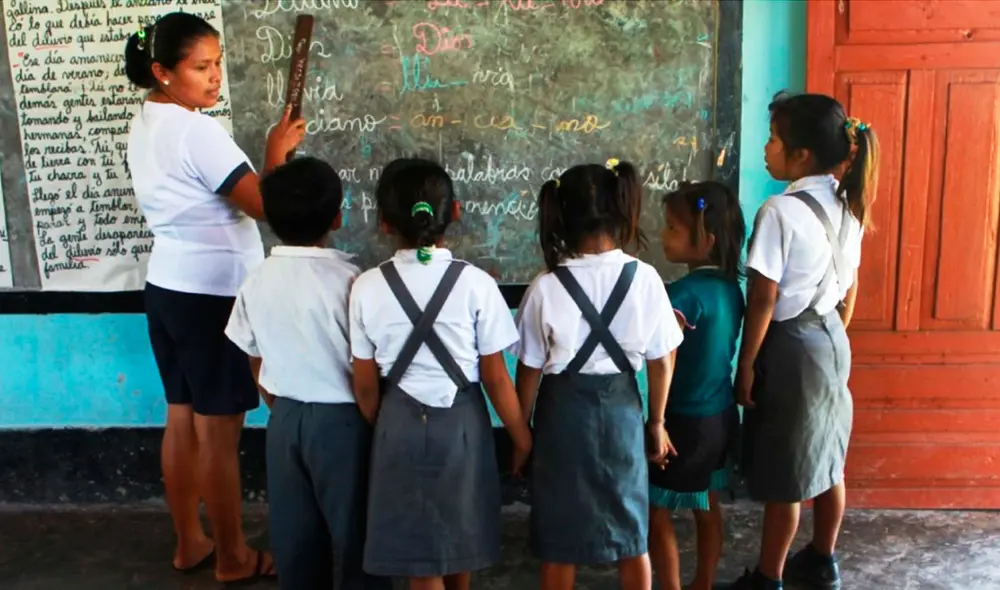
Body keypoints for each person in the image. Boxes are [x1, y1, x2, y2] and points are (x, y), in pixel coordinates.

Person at [124, 12, 305, 584]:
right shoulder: (195, 130)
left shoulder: (148, 118)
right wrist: (276, 153)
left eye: (218, 64)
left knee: (182, 418)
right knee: (219, 434)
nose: (214, 78)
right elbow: (264, 205)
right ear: (162, 71)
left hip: (170, 289)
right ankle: (232, 556)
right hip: (213, 296)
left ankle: (191, 543)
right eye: (200, 68)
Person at [349, 158, 533, 590]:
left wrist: (387, 423)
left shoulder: (366, 286)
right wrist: (522, 438)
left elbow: (363, 384)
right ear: (454, 211)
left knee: (420, 554)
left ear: (384, 223)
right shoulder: (476, 284)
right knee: (458, 534)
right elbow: (495, 378)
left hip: (397, 421)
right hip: (462, 424)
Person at [728, 93, 880, 590]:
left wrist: (746, 363)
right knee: (829, 457)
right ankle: (822, 559)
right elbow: (850, 283)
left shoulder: (779, 210)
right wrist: (835, 329)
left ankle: (768, 577)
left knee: (789, 472)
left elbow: (764, 297)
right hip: (830, 338)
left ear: (802, 157)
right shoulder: (847, 203)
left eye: (773, 139)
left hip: (791, 346)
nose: (765, 149)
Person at [512, 159, 683, 590]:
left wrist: (522, 435)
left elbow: (529, 370)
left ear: (560, 217)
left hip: (561, 419)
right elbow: (663, 360)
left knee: (559, 539)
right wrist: (657, 422)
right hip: (624, 413)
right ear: (621, 209)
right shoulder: (645, 279)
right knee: (631, 534)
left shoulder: (546, 286)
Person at [224, 157, 391, 590]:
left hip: (285, 420)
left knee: (295, 535)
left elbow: (253, 354)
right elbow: (364, 366)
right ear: (337, 216)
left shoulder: (256, 279)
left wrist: (278, 405)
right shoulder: (351, 280)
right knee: (359, 533)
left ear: (270, 218)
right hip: (345, 421)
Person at [646, 181, 746, 590]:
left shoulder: (682, 295)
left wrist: (657, 420)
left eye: (672, 229)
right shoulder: (731, 289)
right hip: (720, 416)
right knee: (707, 505)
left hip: (684, 421)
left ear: (705, 240)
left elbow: (664, 355)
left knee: (656, 511)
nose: (663, 237)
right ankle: (703, 583)